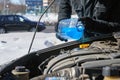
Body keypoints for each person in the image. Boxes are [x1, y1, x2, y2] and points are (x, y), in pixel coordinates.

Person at [56, 0, 120, 40]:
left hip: (109, 45)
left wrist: (93, 26)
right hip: (84, 43)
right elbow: (64, 6)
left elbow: (117, 27)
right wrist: (61, 25)